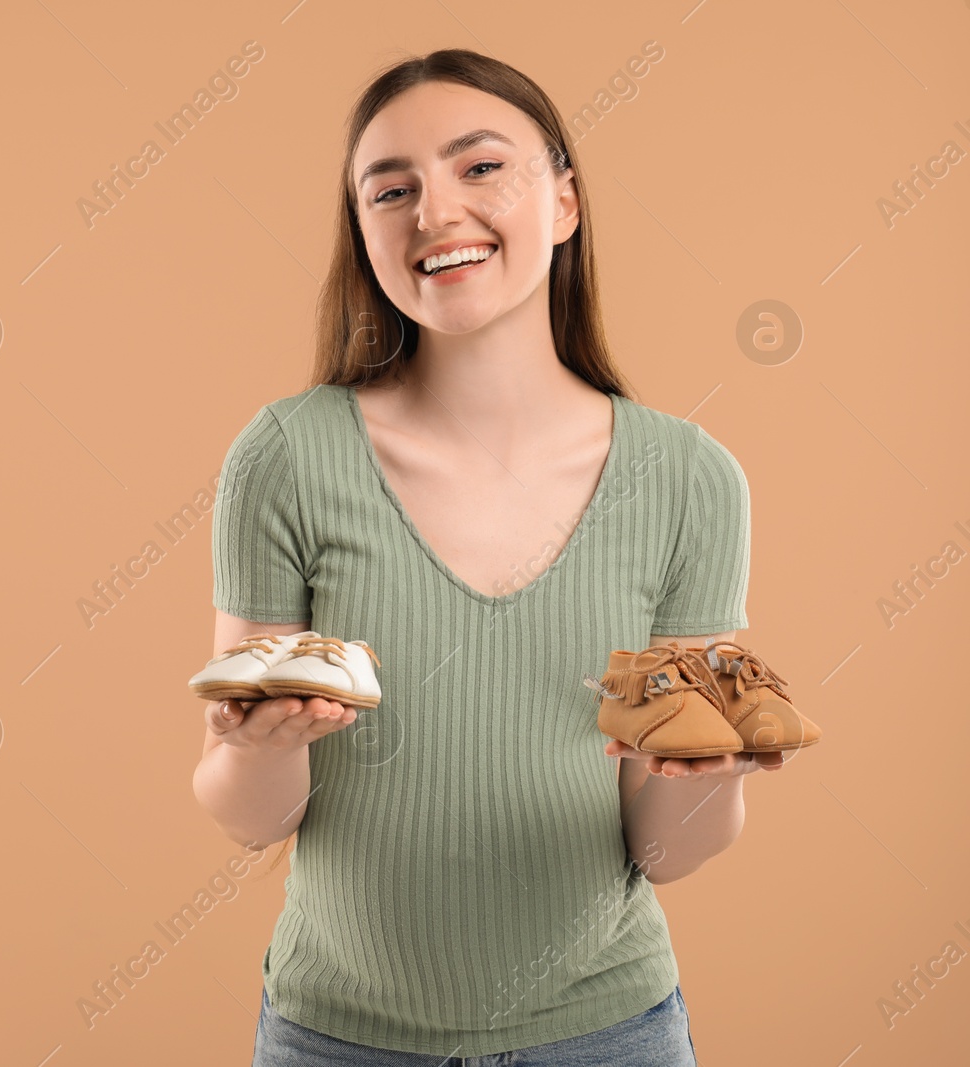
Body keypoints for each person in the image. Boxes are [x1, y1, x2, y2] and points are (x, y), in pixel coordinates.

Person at [190, 48, 788, 1066]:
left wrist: (708, 771)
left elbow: (662, 850)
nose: (434, 212)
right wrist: (255, 741)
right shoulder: (285, 457)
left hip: (608, 1034)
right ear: (364, 232)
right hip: (338, 1037)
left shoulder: (691, 478)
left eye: (479, 168)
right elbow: (252, 819)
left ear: (563, 199)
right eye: (391, 189)